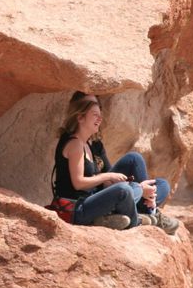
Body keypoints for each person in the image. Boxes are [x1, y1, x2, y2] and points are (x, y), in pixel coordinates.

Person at [53, 92, 180, 233]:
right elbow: (78, 183)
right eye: (95, 114)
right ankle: (137, 219)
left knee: (159, 183)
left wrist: (137, 187)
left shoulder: (92, 143)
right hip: (79, 207)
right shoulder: (74, 144)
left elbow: (108, 179)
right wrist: (130, 186)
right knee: (124, 191)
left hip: (96, 197)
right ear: (80, 117)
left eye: (99, 112)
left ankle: (142, 210)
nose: (100, 118)